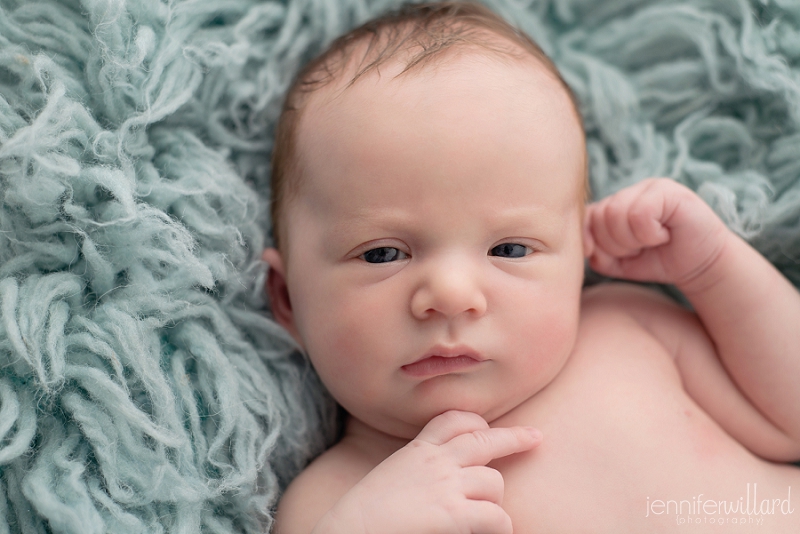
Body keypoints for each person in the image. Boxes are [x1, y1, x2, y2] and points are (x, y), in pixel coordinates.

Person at [261, 2, 800, 532]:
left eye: (510, 249)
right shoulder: (343, 501)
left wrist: (712, 268)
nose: (451, 294)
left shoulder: (628, 326)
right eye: (382, 253)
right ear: (287, 299)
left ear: (578, 257)